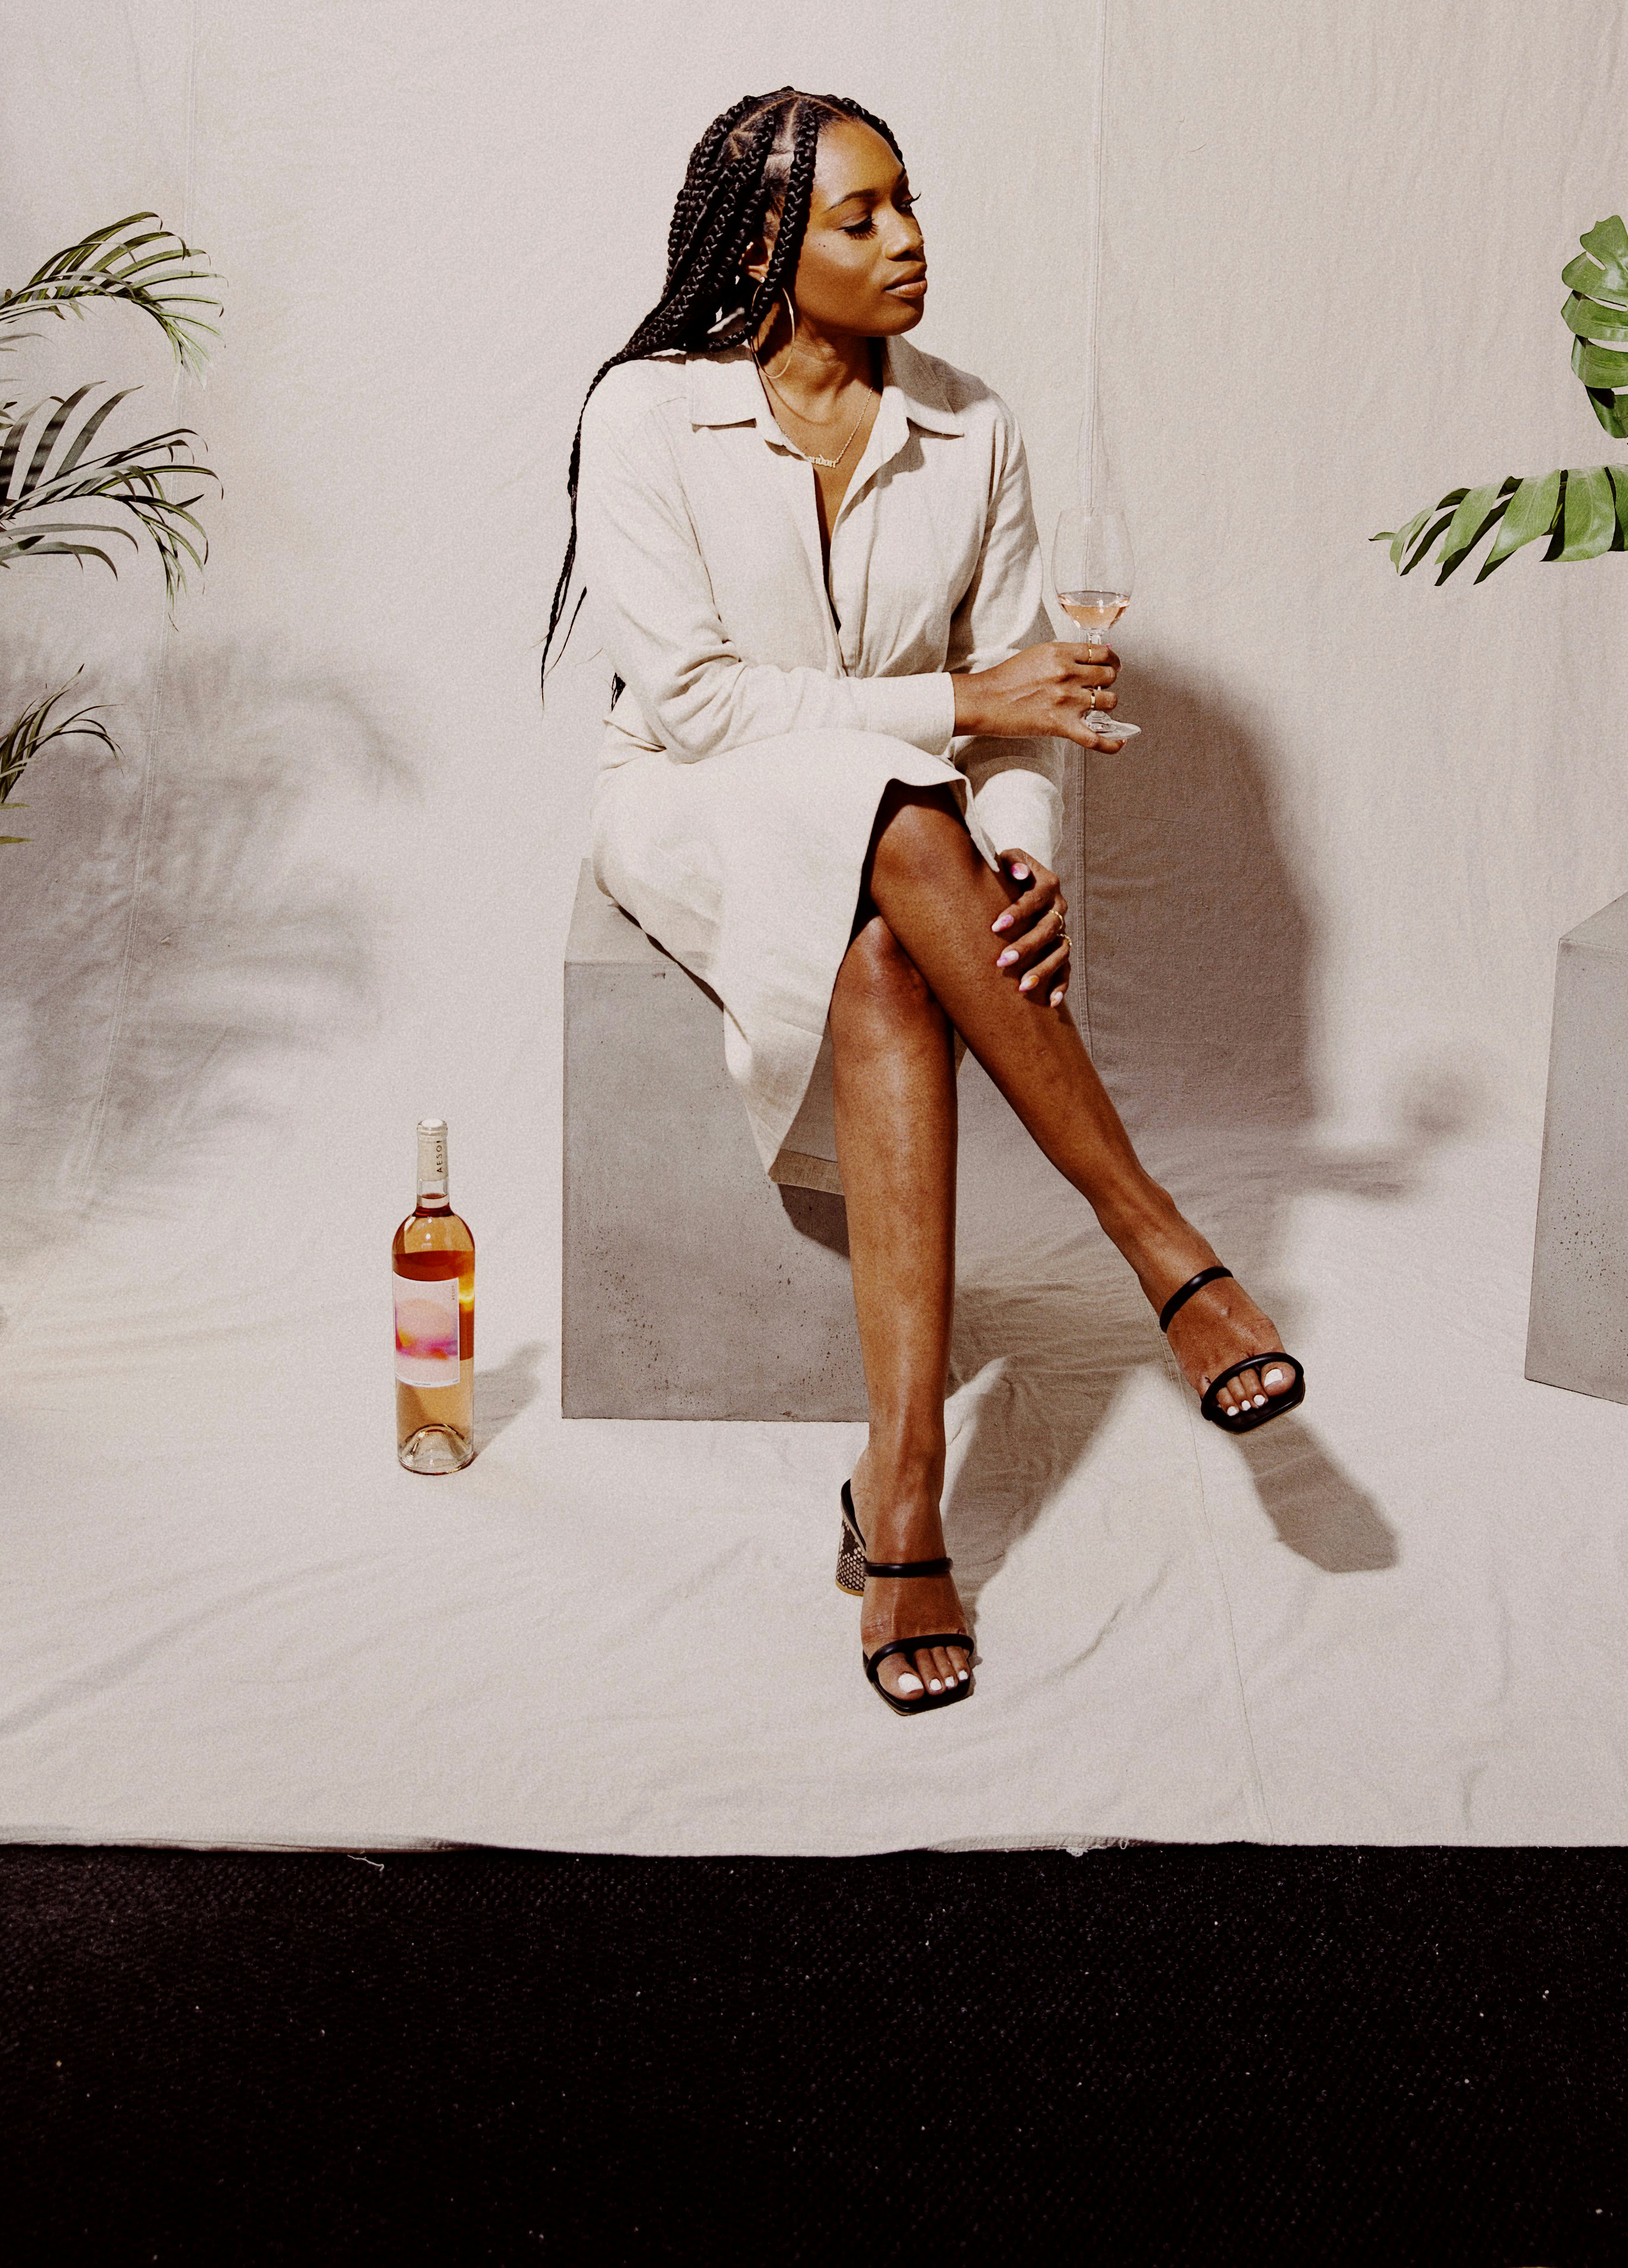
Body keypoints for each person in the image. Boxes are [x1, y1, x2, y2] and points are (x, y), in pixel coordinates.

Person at [547, 89, 1303, 1717]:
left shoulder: (976, 424)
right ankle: (1153, 1237)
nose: (910, 242)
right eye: (862, 216)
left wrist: (1022, 848)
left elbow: (1032, 718)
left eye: (909, 204)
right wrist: (965, 716)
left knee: (895, 959)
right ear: (766, 245)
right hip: (690, 804)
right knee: (884, 805)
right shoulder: (646, 415)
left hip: (906, 836)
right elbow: (699, 706)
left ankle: (899, 1497)